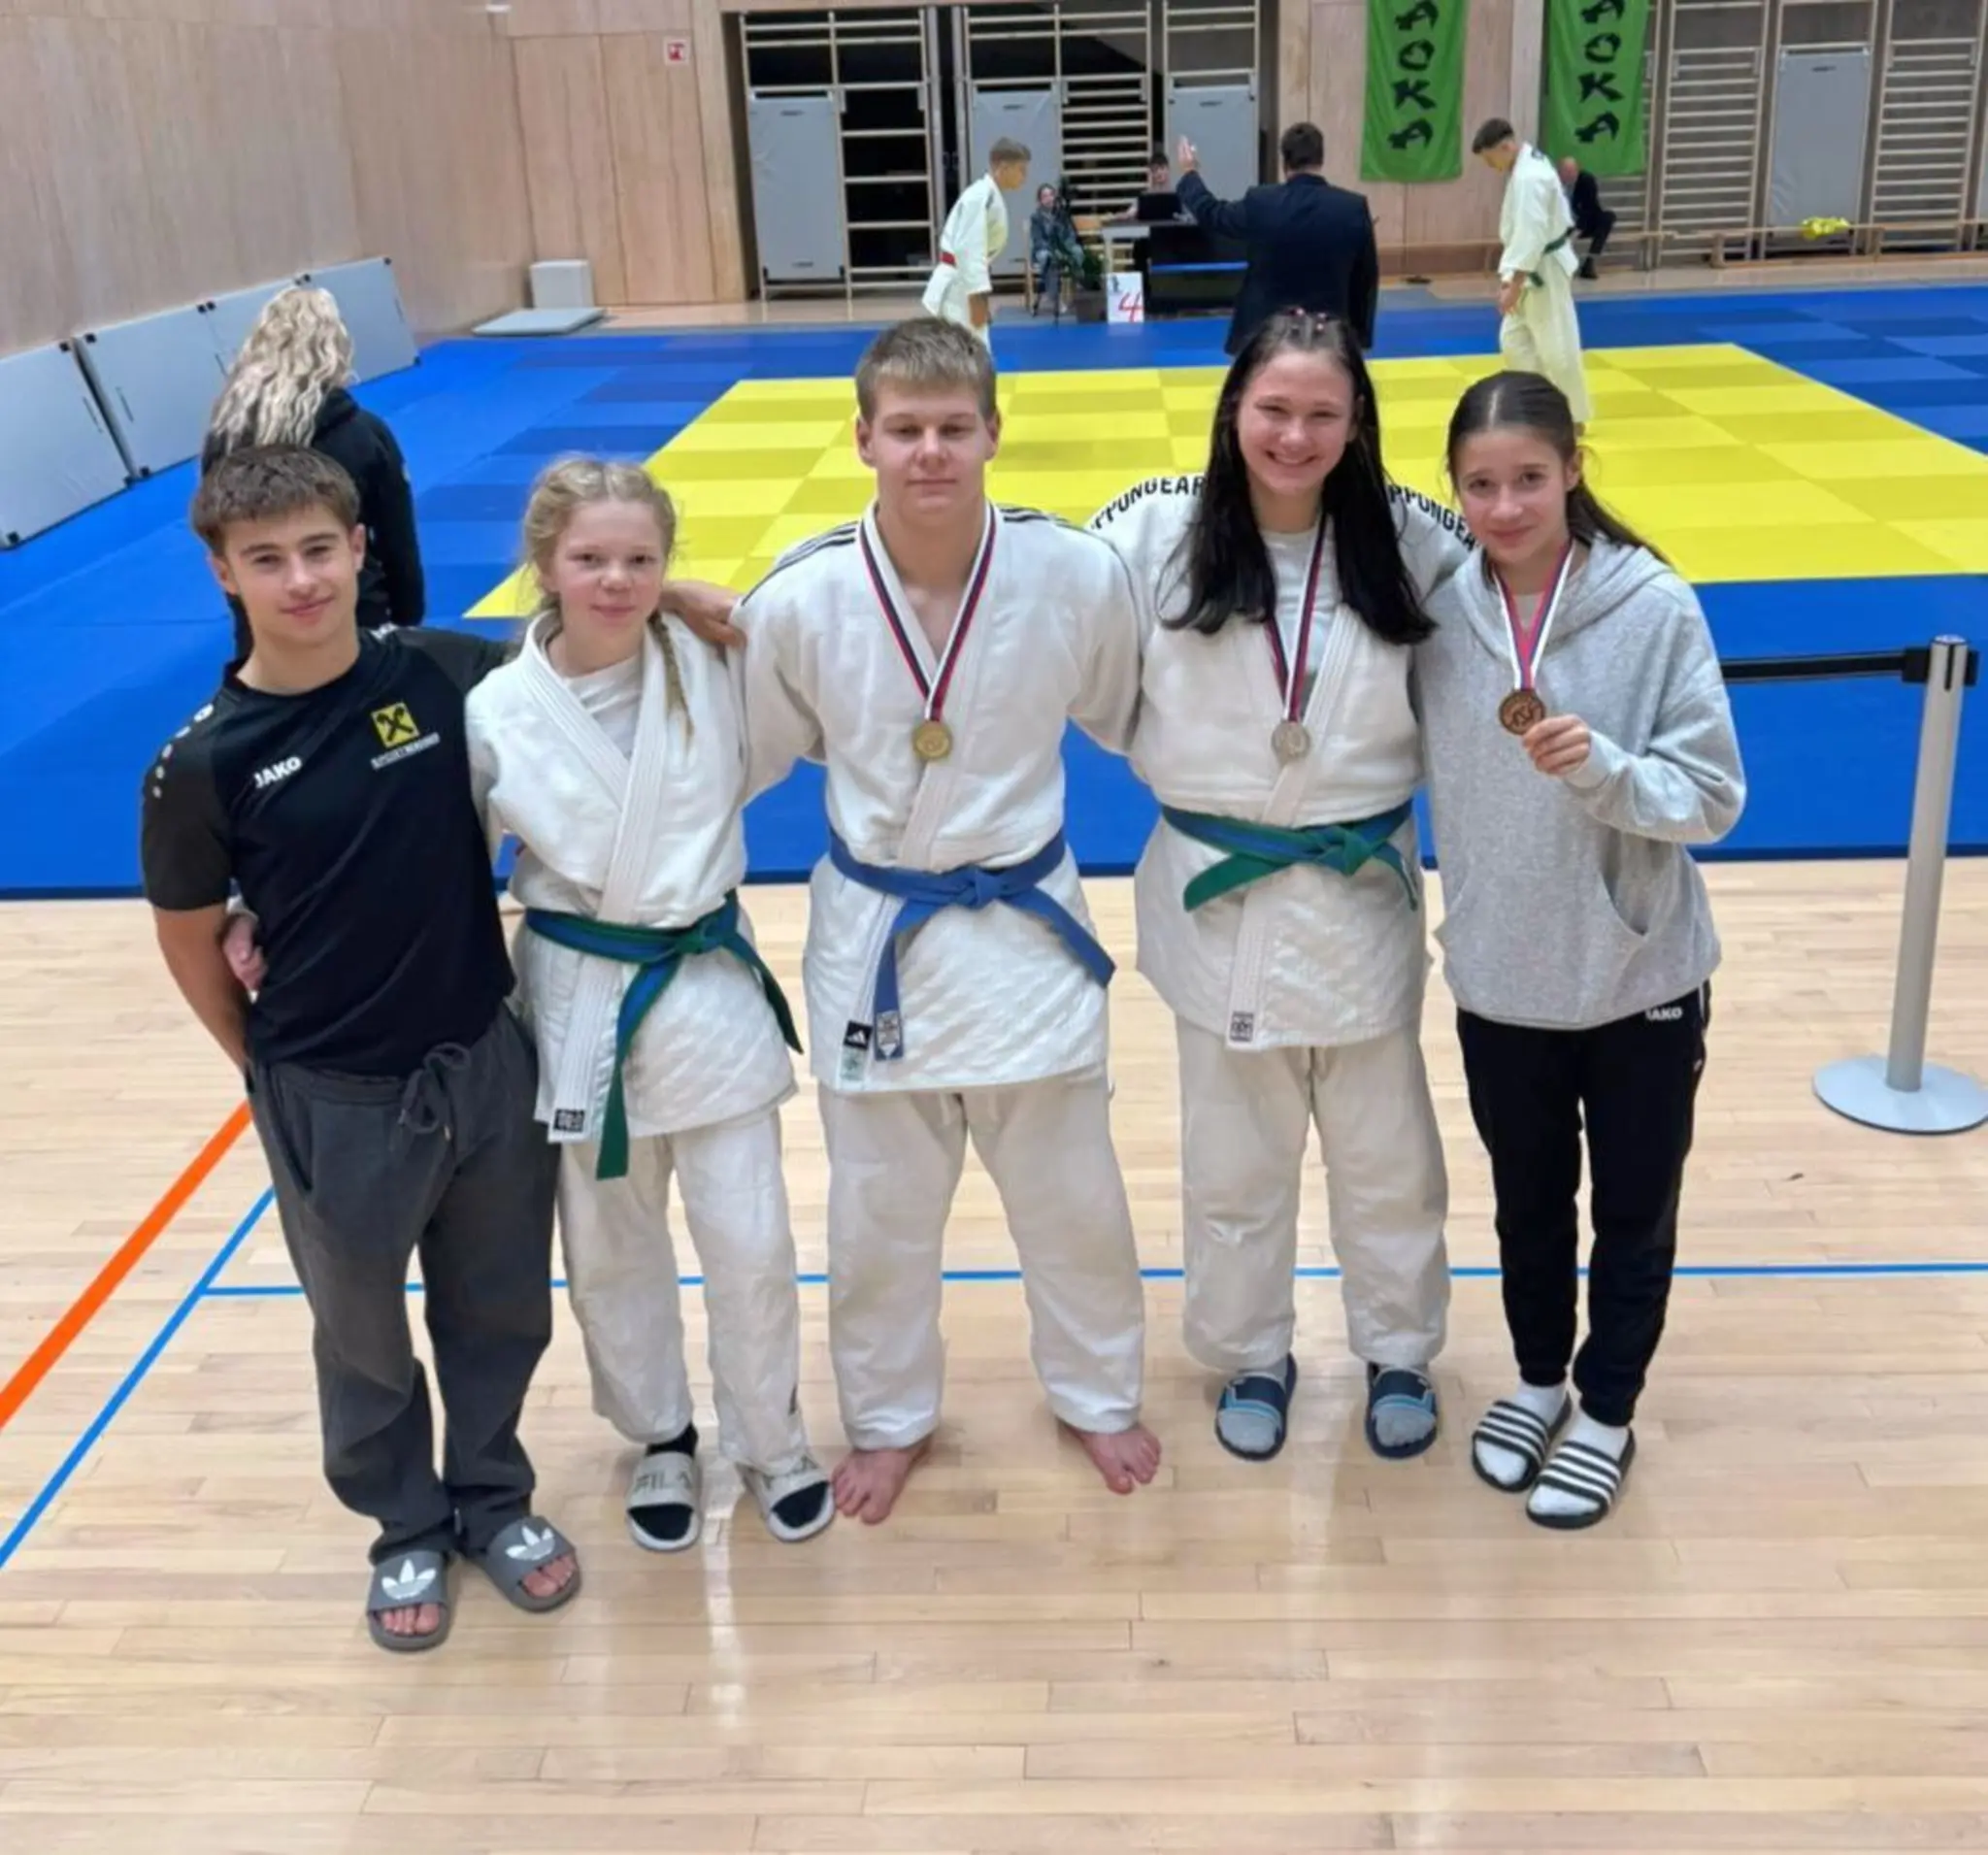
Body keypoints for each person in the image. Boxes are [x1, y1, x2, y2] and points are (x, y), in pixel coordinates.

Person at [141, 446, 576, 1654]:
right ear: (222, 572)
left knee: (499, 1310)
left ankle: (494, 1498)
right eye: (266, 559)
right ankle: (404, 1527)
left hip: (483, 1056)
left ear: (359, 548)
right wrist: (270, 1070)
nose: (300, 581)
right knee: (364, 1338)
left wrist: (677, 594)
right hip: (332, 1092)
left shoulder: (441, 672)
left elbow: (587, 649)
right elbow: (188, 941)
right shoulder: (202, 763)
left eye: (318, 550)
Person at [734, 315, 1161, 1526]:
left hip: (1027, 925)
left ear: (992, 435)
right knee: (876, 1214)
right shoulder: (801, 596)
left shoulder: (1075, 573)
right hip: (879, 934)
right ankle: (885, 1421)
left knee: (1074, 1200)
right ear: (862, 439)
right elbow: (745, 753)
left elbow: (1126, 710)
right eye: (906, 429)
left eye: (953, 428)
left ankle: (1096, 1394)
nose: (930, 451)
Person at [1088, 310, 1472, 1466]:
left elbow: (1525, 590)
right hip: (1219, 891)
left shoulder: (1411, 539)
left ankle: (1397, 1347)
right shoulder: (1150, 531)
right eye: (1271, 409)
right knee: (1232, 1156)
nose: (1293, 436)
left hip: (1359, 892)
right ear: (1231, 411)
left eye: (1320, 413)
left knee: (1386, 1152)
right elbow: (1033, 615)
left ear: (1356, 423)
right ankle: (1249, 1351)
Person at [462, 458, 835, 1553]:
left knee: (751, 1240)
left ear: (668, 565)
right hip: (579, 999)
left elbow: (813, 669)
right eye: (589, 558)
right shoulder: (497, 709)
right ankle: (660, 1432)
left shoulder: (715, 666)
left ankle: (771, 1437)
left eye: (640, 559)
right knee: (610, 1248)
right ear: (544, 565)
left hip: (703, 984)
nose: (616, 579)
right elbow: (450, 863)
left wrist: (705, 602)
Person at [1416, 370, 1744, 1529]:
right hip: (1500, 972)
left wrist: (1605, 771)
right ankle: (1535, 1380)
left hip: (1634, 975)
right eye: (1479, 485)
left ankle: (1606, 1409)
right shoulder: (1439, 613)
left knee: (1632, 1212)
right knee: (1525, 1204)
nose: (1504, 507)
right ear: (1453, 490)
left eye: (1528, 479)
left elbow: (1712, 797)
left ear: (1571, 471)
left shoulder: (1650, 607)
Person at [203, 286, 425, 660]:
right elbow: (396, 537)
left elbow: (222, 539)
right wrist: (407, 615)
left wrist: (246, 618)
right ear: (336, 349)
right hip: (356, 616)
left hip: (264, 623)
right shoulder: (364, 434)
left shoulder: (224, 437)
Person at [1172, 122, 1379, 356]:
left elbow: (1213, 214)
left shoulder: (1261, 202)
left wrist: (1189, 173)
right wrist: (1359, 339)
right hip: (1328, 338)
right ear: (1321, 159)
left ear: (1284, 161)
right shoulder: (1352, 208)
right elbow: (1365, 279)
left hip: (1264, 337)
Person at [1472, 119, 1591, 428]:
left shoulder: (1529, 178)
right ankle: (1539, 404)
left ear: (1505, 147)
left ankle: (1573, 416)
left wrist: (1514, 283)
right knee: (1514, 342)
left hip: (1543, 269)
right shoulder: (1526, 164)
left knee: (1557, 346)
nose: (1490, 166)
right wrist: (1510, 279)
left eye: (1490, 159)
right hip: (1530, 266)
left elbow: (1532, 234)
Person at [921, 140, 1031, 348]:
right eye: (1021, 170)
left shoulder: (988, 194)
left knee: (964, 353)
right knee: (972, 353)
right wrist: (977, 298)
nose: (1024, 177)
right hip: (959, 285)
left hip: (962, 283)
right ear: (1003, 167)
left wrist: (980, 296)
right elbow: (968, 250)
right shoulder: (981, 196)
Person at [1556, 155, 1615, 280]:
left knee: (1607, 217)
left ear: (1577, 170)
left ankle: (1590, 262)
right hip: (1560, 224)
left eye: (1572, 171)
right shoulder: (1552, 183)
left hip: (1583, 223)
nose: (1569, 175)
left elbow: (1590, 209)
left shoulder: (1586, 181)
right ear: (1559, 172)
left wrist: (1576, 232)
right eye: (1565, 171)